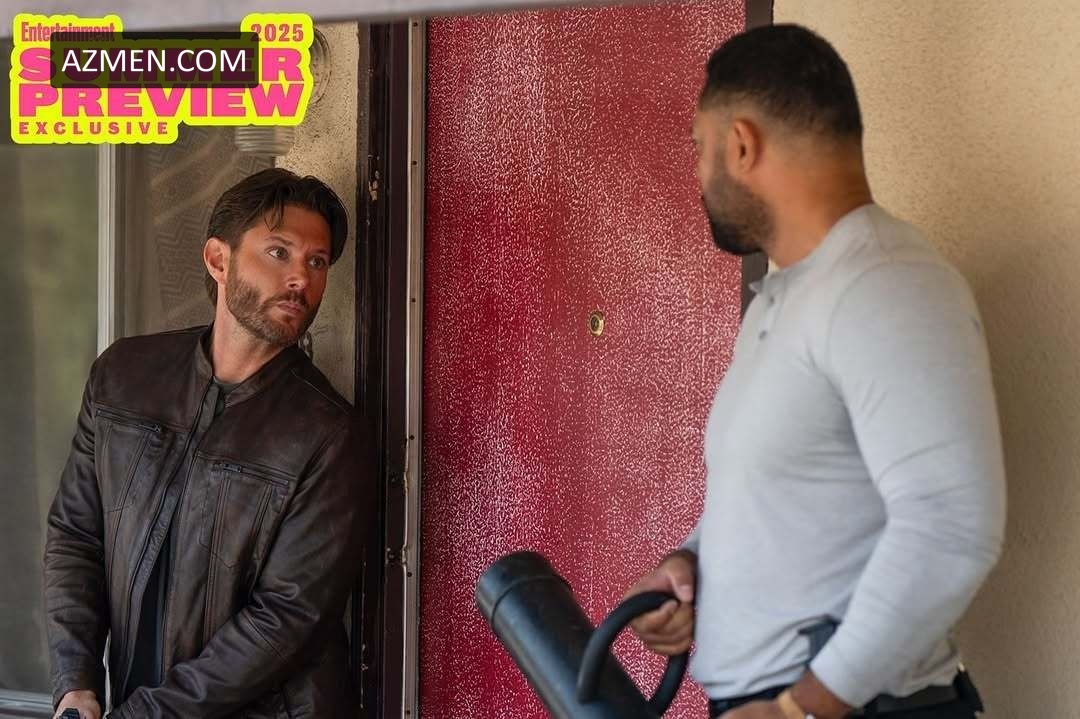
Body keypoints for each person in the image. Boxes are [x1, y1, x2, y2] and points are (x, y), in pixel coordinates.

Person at [624, 24, 1006, 719]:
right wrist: (690, 566)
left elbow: (953, 524)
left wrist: (800, 708)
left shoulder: (887, 285)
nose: (698, 173)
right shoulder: (790, 296)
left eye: (699, 147)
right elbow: (785, 496)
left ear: (741, 144)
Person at [45, 168, 374, 719]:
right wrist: (75, 683)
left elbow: (286, 618)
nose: (301, 277)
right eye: (279, 252)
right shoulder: (124, 375)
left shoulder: (328, 432)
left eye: (317, 262)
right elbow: (77, 535)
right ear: (218, 260)